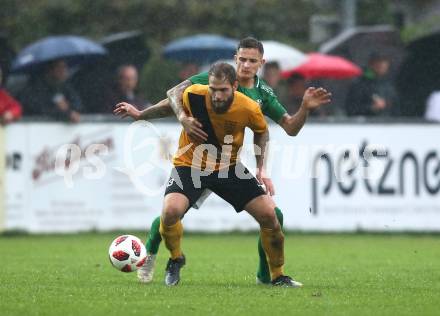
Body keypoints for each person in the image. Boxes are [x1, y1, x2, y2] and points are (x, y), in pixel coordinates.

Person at [114, 37, 331, 285]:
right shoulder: (215, 78)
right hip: (192, 162)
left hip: (227, 166)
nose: (246, 65)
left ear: (262, 63)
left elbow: (287, 128)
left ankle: (268, 275)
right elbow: (174, 97)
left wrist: (304, 110)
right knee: (172, 211)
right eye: (242, 59)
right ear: (235, 58)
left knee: (273, 216)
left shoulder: (259, 96)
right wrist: (151, 115)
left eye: (252, 61)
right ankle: (153, 252)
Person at [345, 52, 397, 117]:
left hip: (390, 125)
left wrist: (387, 104)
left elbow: (397, 109)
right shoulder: (359, 85)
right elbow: (351, 110)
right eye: (378, 62)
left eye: (384, 63)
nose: (382, 65)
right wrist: (371, 108)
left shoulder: (390, 85)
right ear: (371, 64)